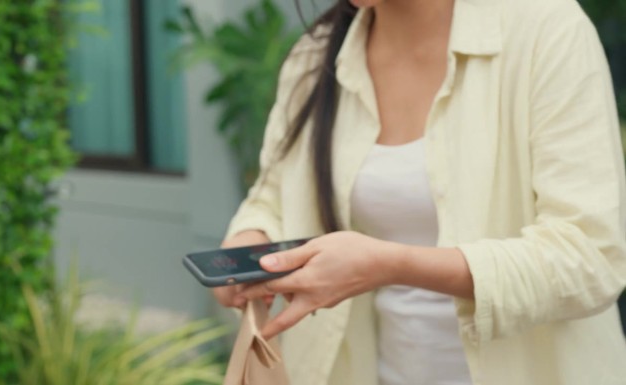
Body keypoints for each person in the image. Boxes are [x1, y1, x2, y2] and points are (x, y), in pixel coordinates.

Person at [213, 0, 626, 384]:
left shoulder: (546, 28)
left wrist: (393, 264)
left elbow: (590, 255)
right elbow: (273, 197)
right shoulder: (314, 58)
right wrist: (251, 240)